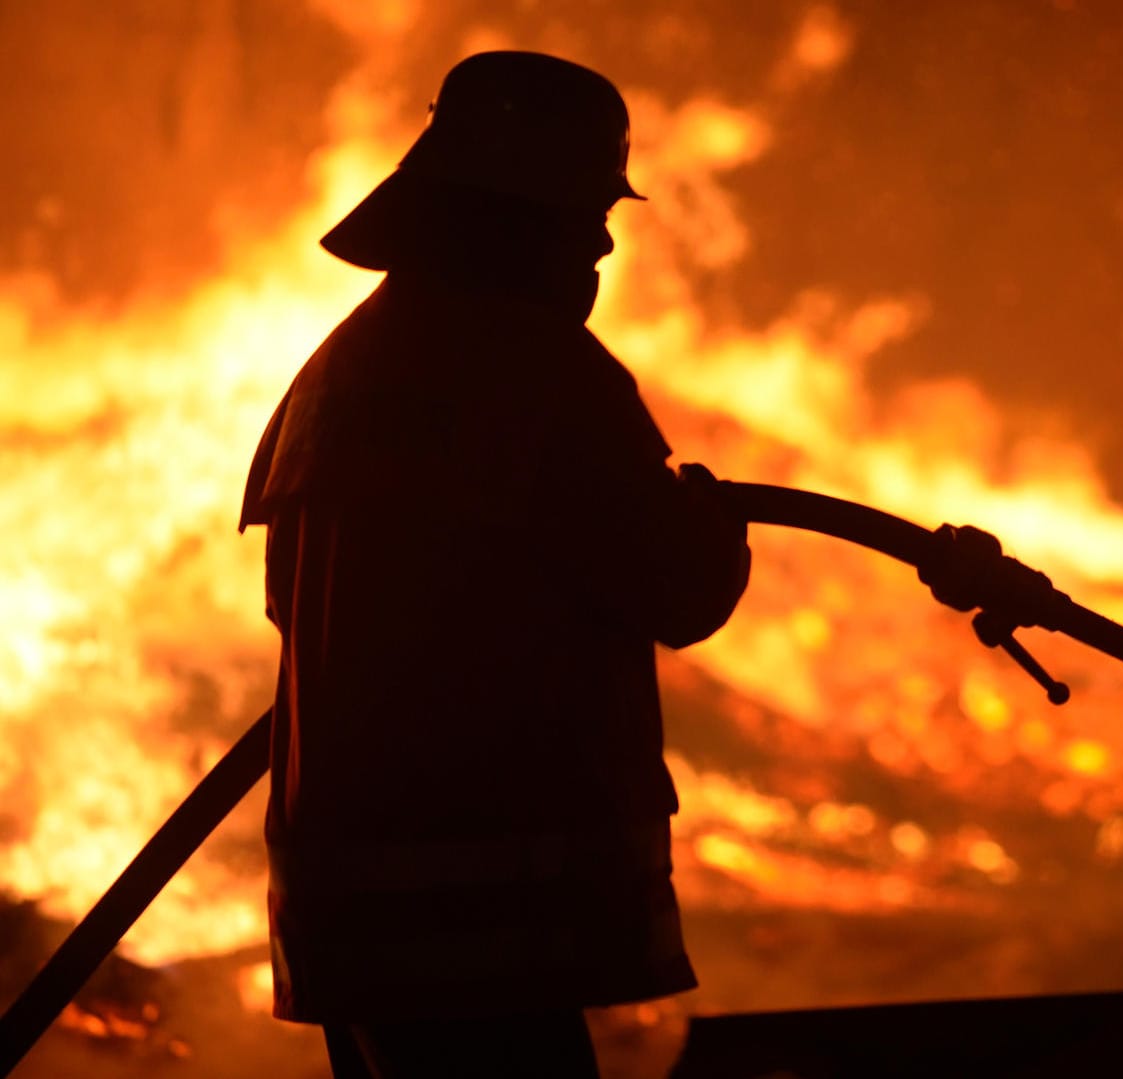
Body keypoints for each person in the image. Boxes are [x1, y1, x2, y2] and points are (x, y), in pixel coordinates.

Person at [237, 51, 751, 1078]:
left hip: (352, 913)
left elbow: (288, 604)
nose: (602, 241)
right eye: (582, 211)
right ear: (518, 216)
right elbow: (676, 588)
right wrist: (710, 522)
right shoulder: (536, 375)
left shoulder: (336, 377)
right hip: (482, 921)